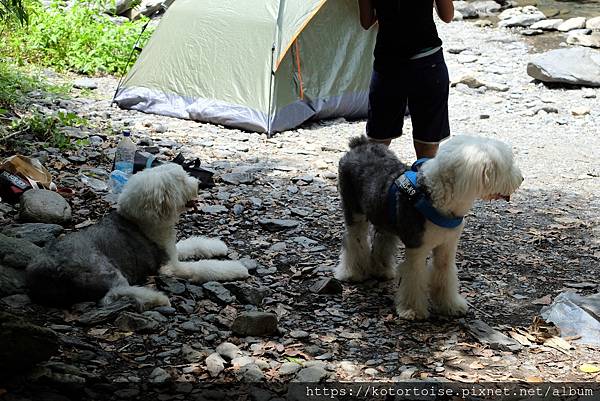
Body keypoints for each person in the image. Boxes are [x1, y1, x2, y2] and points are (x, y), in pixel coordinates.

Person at [358, 0, 454, 159]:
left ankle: (375, 182)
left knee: (378, 142)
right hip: (427, 61)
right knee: (427, 145)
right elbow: (447, 16)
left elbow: (366, 22)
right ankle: (422, 181)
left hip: (388, 63)